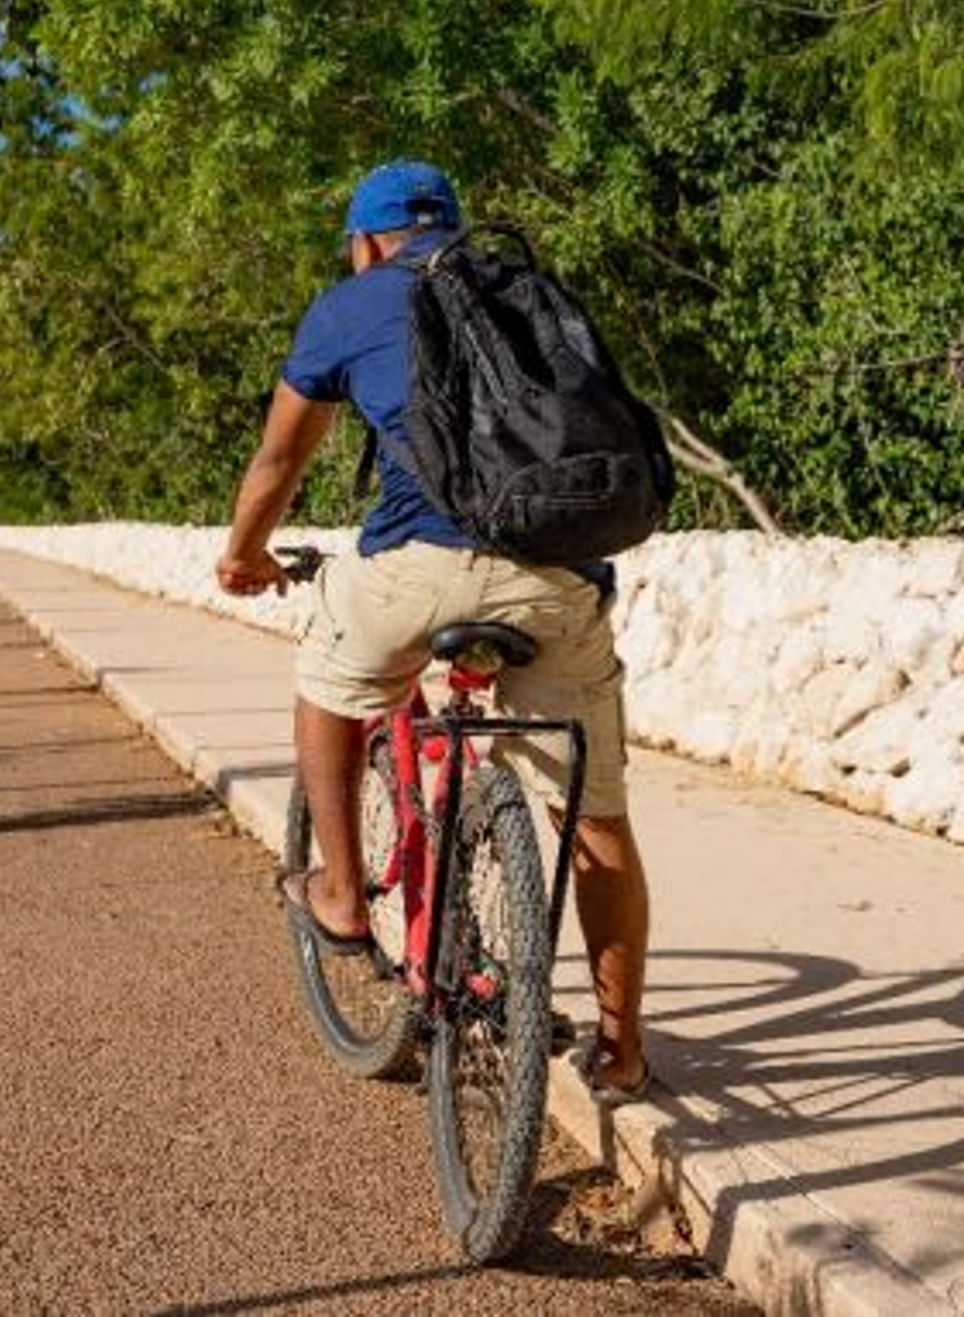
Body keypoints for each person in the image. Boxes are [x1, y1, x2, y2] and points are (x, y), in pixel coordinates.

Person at [213, 159, 653, 1104]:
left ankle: (339, 890)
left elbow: (278, 456)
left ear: (368, 240)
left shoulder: (352, 303)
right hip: (558, 572)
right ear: (450, 225)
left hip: (415, 573)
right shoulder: (524, 287)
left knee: (327, 680)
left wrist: (243, 554)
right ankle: (621, 1052)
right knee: (595, 814)